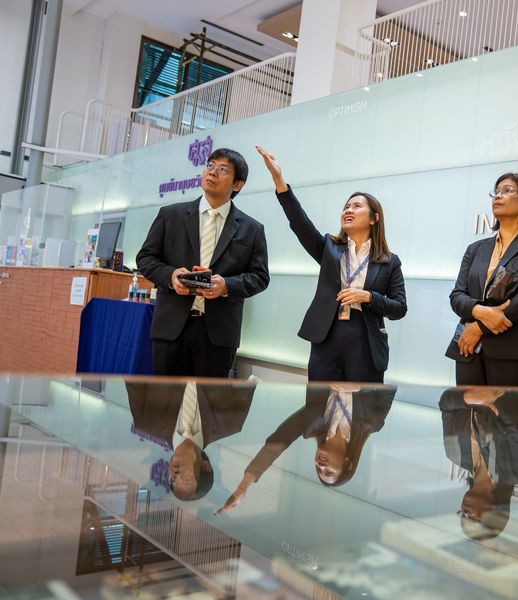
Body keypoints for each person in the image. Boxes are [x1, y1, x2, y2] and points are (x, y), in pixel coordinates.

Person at [256, 146, 406, 382]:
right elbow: (299, 222)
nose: (348, 210)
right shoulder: (329, 248)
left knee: (361, 404)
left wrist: (368, 297)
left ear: (374, 218)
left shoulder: (389, 261)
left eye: (357, 206)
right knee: (321, 402)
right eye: (346, 207)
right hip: (327, 334)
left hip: (366, 340)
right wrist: (279, 179)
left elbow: (399, 308)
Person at [136, 148, 269, 377]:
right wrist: (171, 276)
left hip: (218, 335)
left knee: (208, 400)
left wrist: (226, 286)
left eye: (223, 169)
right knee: (166, 398)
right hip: (171, 328)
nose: (212, 172)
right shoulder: (171, 215)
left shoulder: (252, 229)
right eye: (210, 165)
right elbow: (145, 258)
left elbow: (260, 277)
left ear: (238, 184)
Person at [216, 384, 395, 513]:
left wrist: (243, 487)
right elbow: (391, 381)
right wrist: (362, 386)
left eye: (319, 470)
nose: (321, 466)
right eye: (329, 472)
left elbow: (277, 442)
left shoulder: (312, 424)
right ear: (348, 463)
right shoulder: (372, 422)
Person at [448, 173, 518, 386]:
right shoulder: (475, 248)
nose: (498, 196)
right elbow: (457, 296)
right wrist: (480, 311)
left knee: (508, 409)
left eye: (507, 191)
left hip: (512, 351)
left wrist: (479, 328)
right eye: (496, 192)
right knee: (464, 407)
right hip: (468, 348)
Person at [126, 379, 257, 501]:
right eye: (187, 479)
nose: (177, 474)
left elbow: (132, 373)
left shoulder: (146, 421)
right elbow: (249, 376)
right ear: (205, 467)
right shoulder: (231, 423)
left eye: (173, 479)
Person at [440, 387, 518, 540]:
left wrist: (468, 397)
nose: (466, 512)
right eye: (473, 519)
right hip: (511, 380)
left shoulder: (454, 454)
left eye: (463, 516)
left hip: (467, 374)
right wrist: (486, 398)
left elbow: (445, 404)